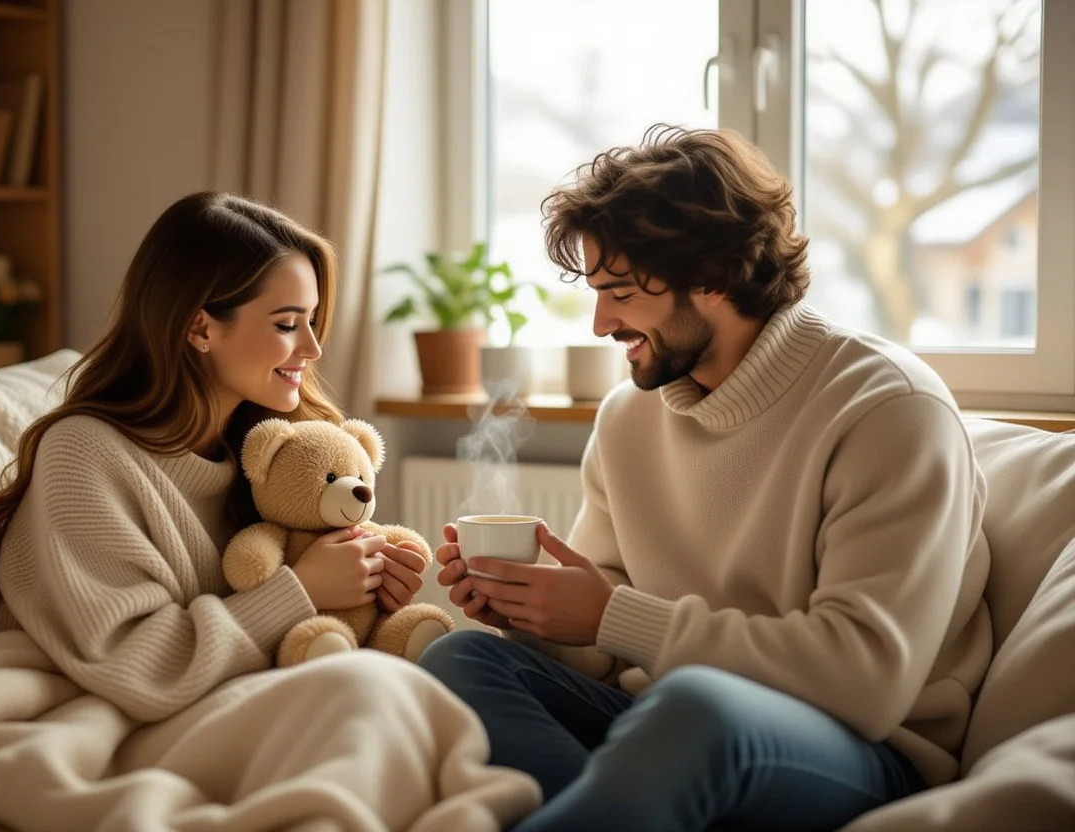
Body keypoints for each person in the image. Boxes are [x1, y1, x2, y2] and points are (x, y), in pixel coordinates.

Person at [419, 125, 992, 832]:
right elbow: (602, 648)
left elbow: (864, 681)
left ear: (713, 277)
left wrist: (612, 615)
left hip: (860, 752)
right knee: (461, 659)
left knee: (695, 706)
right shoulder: (630, 418)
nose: (601, 323)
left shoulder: (889, 409)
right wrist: (532, 613)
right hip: (666, 722)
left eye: (621, 292)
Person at [0, 191, 432, 720]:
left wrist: (367, 589)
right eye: (286, 324)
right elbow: (134, 666)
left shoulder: (277, 456)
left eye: (311, 320)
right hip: (95, 713)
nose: (312, 348)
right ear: (200, 328)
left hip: (234, 700)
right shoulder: (83, 454)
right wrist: (303, 589)